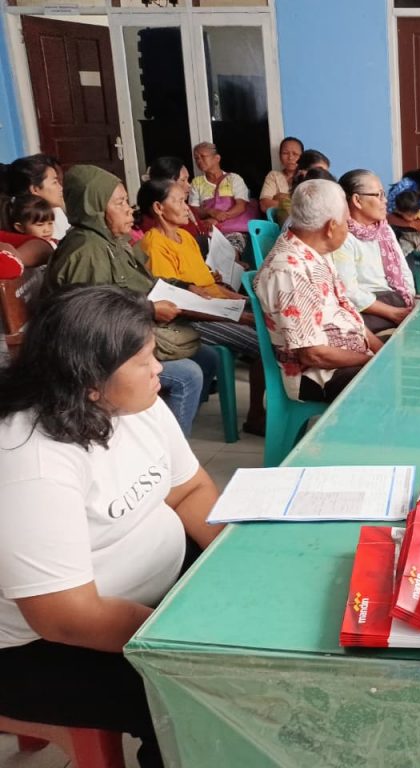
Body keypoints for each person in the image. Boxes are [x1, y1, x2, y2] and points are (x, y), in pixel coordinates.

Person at [0, 285, 223, 768]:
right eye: (144, 361)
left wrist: (239, 559)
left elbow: (189, 491)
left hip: (152, 599)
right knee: (203, 703)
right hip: (47, 646)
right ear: (90, 383)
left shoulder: (138, 405)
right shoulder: (32, 462)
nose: (159, 369)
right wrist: (186, 643)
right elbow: (66, 617)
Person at [44, 164, 216, 436]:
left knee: (208, 356)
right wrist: (149, 309)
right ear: (95, 208)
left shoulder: (112, 241)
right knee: (188, 375)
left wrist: (185, 287)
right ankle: (164, 446)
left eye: (127, 201)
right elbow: (90, 317)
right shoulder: (87, 251)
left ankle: (162, 425)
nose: (129, 210)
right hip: (97, 354)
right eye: (120, 203)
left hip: (123, 335)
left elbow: (143, 282)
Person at [136, 177, 267, 435]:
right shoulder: (154, 244)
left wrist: (243, 301)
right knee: (263, 341)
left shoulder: (185, 237)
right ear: (159, 208)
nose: (187, 208)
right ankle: (255, 416)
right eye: (179, 201)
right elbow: (177, 299)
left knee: (267, 318)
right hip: (192, 317)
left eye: (185, 201)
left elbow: (208, 285)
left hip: (216, 307)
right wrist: (237, 316)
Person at [253, 179, 383, 403]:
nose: (349, 227)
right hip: (319, 374)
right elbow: (313, 354)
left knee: (407, 360)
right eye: (346, 222)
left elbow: (349, 314)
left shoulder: (316, 251)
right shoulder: (288, 271)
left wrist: (383, 352)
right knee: (392, 384)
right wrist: (373, 361)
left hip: (348, 356)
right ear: (331, 227)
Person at [338, 169, 416, 334]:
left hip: (396, 300)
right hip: (371, 308)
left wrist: (409, 298)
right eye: (378, 195)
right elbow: (349, 291)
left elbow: (403, 270)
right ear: (357, 200)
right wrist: (392, 313)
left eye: (383, 194)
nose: (385, 201)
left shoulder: (384, 229)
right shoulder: (343, 237)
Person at [188, 142, 255, 250]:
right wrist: (210, 212)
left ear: (217, 158)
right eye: (196, 158)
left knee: (232, 251)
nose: (199, 161)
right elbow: (193, 210)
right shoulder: (196, 183)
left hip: (233, 229)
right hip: (208, 229)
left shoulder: (233, 179)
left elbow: (240, 206)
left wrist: (218, 219)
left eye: (203, 156)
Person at [1, 154, 69, 240]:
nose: (61, 188)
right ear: (35, 189)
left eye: (50, 223)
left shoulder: (57, 212)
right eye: (54, 182)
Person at [145, 156, 210, 240]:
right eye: (183, 180)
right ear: (166, 183)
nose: (189, 185)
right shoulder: (154, 221)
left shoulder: (189, 209)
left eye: (188, 180)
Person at [259, 136, 304, 213]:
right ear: (280, 156)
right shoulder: (274, 176)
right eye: (285, 153)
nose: (290, 157)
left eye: (295, 154)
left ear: (302, 157)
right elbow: (264, 205)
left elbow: (311, 206)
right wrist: (296, 205)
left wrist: (280, 198)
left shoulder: (307, 175)